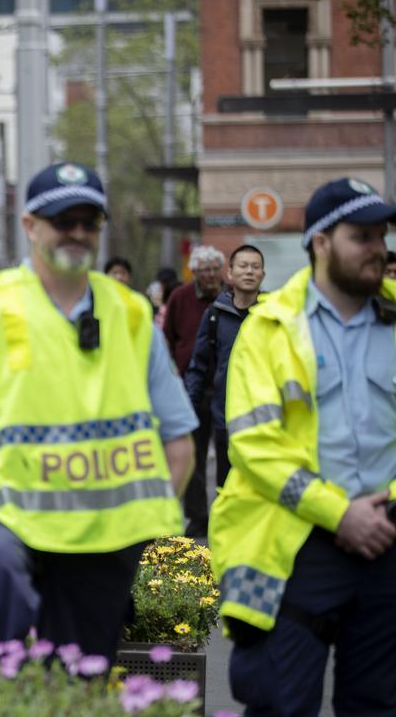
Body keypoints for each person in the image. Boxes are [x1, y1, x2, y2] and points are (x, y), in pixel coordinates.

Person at [0, 162, 196, 662]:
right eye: (62, 219)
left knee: (79, 683)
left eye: (89, 221)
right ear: (30, 225)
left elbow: (179, 438)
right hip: (5, 517)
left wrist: (146, 526)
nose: (77, 232)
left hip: (100, 529)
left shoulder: (131, 314)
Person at [210, 177, 396, 715]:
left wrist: (377, 512)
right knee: (280, 704)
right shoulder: (268, 330)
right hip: (294, 543)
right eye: (362, 236)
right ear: (321, 242)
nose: (378, 249)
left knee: (378, 705)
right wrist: (339, 514)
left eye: (381, 236)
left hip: (386, 536)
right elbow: (254, 447)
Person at [183, 244, 265, 500]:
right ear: (230, 273)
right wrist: (188, 411)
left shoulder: (274, 313)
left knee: (262, 490)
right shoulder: (215, 314)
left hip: (265, 418)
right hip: (226, 418)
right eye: (243, 266)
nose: (249, 272)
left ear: (263, 274)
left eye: (255, 267)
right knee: (227, 489)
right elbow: (199, 365)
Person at [163, 244, 225, 537]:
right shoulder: (181, 297)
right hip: (193, 385)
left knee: (228, 452)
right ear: (196, 272)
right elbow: (169, 335)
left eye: (216, 269)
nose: (211, 275)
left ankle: (227, 513)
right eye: (206, 270)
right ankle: (198, 516)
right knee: (195, 453)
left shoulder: (231, 296)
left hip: (227, 384)